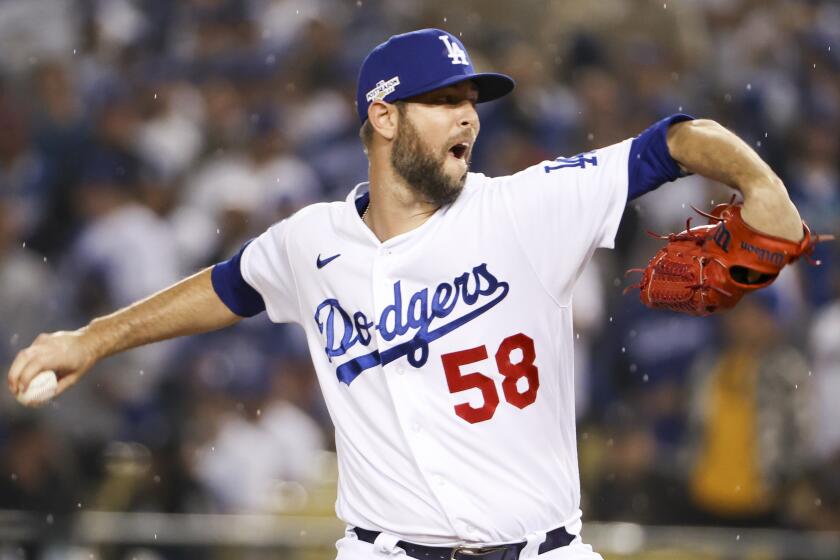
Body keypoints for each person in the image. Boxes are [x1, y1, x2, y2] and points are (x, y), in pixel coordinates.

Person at [7, 29, 806, 560]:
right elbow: (225, 289)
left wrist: (760, 181)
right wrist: (92, 339)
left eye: (472, 103)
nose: (469, 118)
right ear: (383, 118)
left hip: (541, 549)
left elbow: (673, 141)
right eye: (445, 102)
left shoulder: (525, 206)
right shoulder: (311, 241)